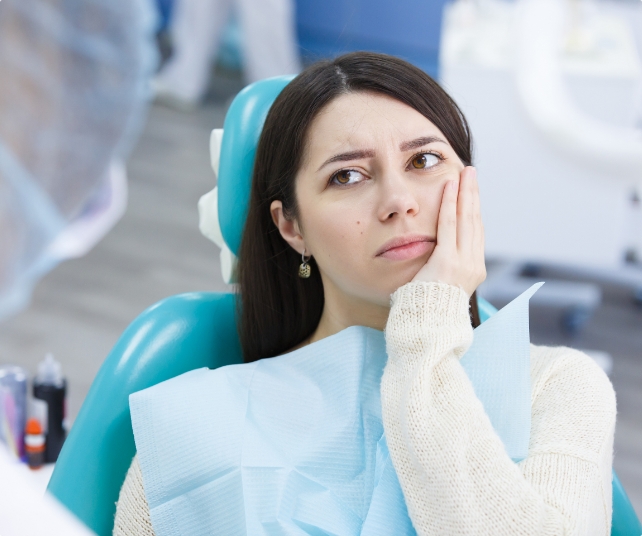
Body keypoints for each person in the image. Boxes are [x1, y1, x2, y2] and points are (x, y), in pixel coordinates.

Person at [113, 52, 616, 535]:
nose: (399, 202)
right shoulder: (194, 430)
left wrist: (425, 328)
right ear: (291, 226)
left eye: (424, 160)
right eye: (347, 175)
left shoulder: (556, 388)